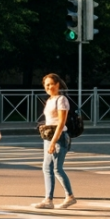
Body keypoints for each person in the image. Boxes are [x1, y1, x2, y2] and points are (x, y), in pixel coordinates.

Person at [35, 73, 77, 209]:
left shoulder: (61, 99)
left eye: (51, 84)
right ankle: (48, 200)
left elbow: (61, 122)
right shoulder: (50, 100)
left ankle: (70, 196)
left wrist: (53, 142)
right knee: (46, 168)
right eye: (46, 85)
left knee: (57, 169)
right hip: (49, 136)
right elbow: (51, 120)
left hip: (59, 137)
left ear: (58, 84)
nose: (49, 87)